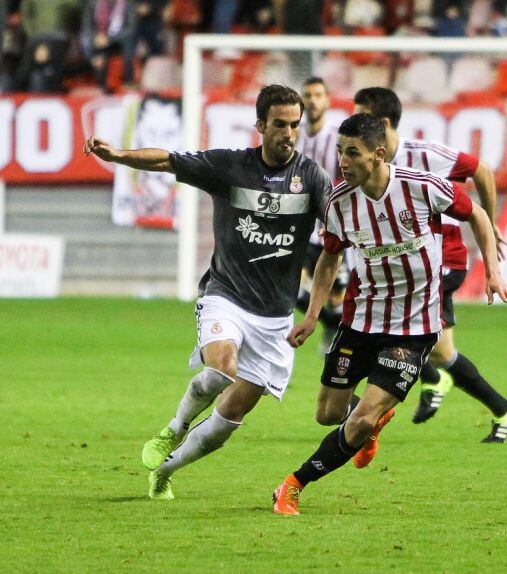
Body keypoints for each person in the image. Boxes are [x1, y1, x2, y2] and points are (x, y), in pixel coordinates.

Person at [84, 85, 331, 500]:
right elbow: (167, 159)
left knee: (227, 420)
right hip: (227, 295)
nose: (288, 134)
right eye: (279, 125)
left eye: (294, 126)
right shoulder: (230, 167)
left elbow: (336, 243)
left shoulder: (312, 179)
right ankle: (173, 429)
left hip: (276, 319)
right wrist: (118, 156)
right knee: (220, 368)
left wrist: (313, 314)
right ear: (260, 126)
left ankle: (165, 471)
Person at [272, 113, 507, 515]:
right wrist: (313, 314)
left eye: (352, 153)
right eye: (340, 151)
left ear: (379, 154)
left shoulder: (420, 188)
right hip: (361, 320)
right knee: (328, 414)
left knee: (358, 422)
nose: (343, 161)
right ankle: (371, 423)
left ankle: (293, 485)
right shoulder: (339, 202)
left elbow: (475, 213)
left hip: (415, 327)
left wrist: (492, 269)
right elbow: (329, 259)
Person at [353, 87, 507, 444]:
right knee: (442, 351)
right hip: (407, 264)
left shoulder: (427, 155)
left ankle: (432, 380)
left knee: (395, 335)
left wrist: (489, 221)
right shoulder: (365, 164)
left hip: (441, 261)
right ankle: (501, 408)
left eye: (362, 119)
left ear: (382, 125)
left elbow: (482, 170)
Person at [295, 77, 348, 349]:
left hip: (334, 228)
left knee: (336, 294)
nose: (313, 100)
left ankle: (336, 342)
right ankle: (328, 323)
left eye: (318, 95)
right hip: (301, 228)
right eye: (308, 95)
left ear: (327, 100)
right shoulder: (293, 136)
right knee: (293, 288)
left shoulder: (338, 138)